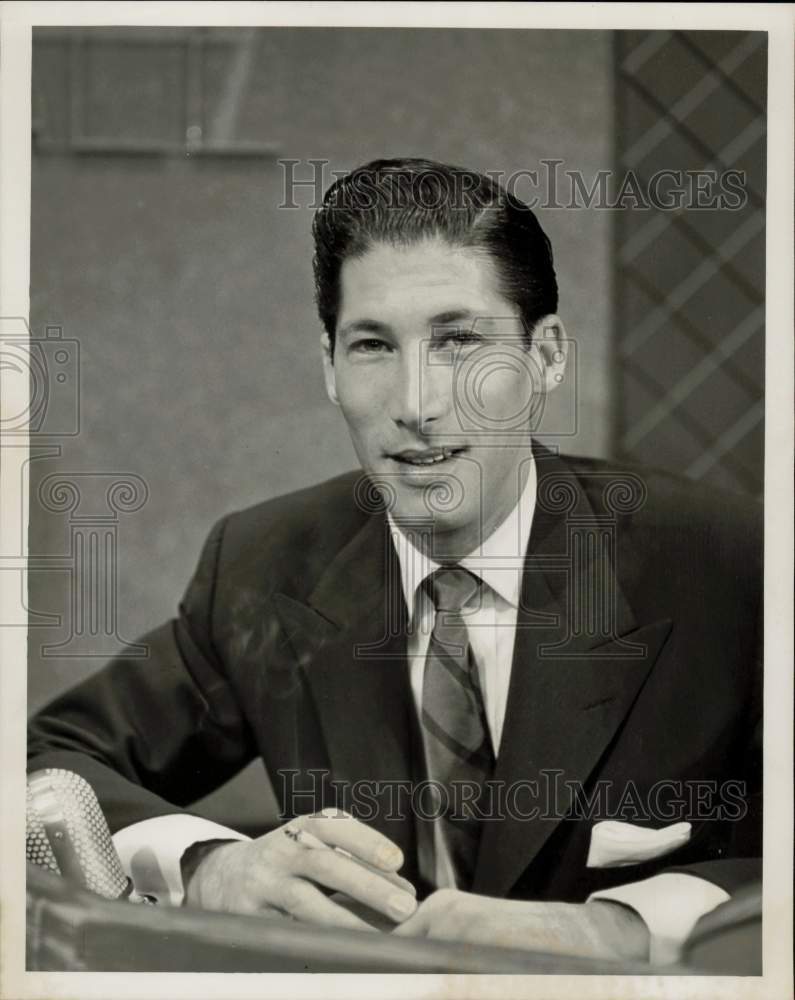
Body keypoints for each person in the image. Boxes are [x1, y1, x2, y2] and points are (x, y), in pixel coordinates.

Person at [28, 158, 762, 966]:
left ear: (546, 357)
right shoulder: (265, 566)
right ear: (329, 367)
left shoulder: (730, 564)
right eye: (373, 344)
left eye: (458, 341)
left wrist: (619, 927)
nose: (415, 403)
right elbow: (44, 761)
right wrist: (208, 867)